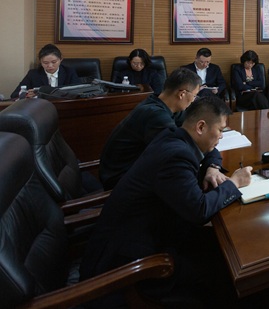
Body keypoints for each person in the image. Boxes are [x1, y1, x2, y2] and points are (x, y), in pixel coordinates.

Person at [81, 96, 251, 306]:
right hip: (134, 261)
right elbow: (199, 210)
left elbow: (211, 150)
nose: (221, 137)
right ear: (200, 127)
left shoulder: (174, 135)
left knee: (220, 246)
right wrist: (234, 183)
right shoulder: (176, 156)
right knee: (225, 266)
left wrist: (212, 168)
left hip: (152, 232)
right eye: (220, 130)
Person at [99, 68, 227, 191]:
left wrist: (213, 166)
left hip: (137, 170)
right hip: (120, 179)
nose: (193, 101)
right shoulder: (154, 115)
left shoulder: (166, 105)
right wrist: (210, 164)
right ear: (182, 94)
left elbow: (197, 139)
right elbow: (183, 151)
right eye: (194, 96)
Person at [11, 44, 80, 98]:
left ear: (61, 59)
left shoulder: (69, 72)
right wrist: (26, 94)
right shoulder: (33, 74)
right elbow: (14, 94)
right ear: (40, 62)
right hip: (41, 108)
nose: (50, 66)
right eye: (45, 63)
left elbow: (79, 92)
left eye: (54, 62)